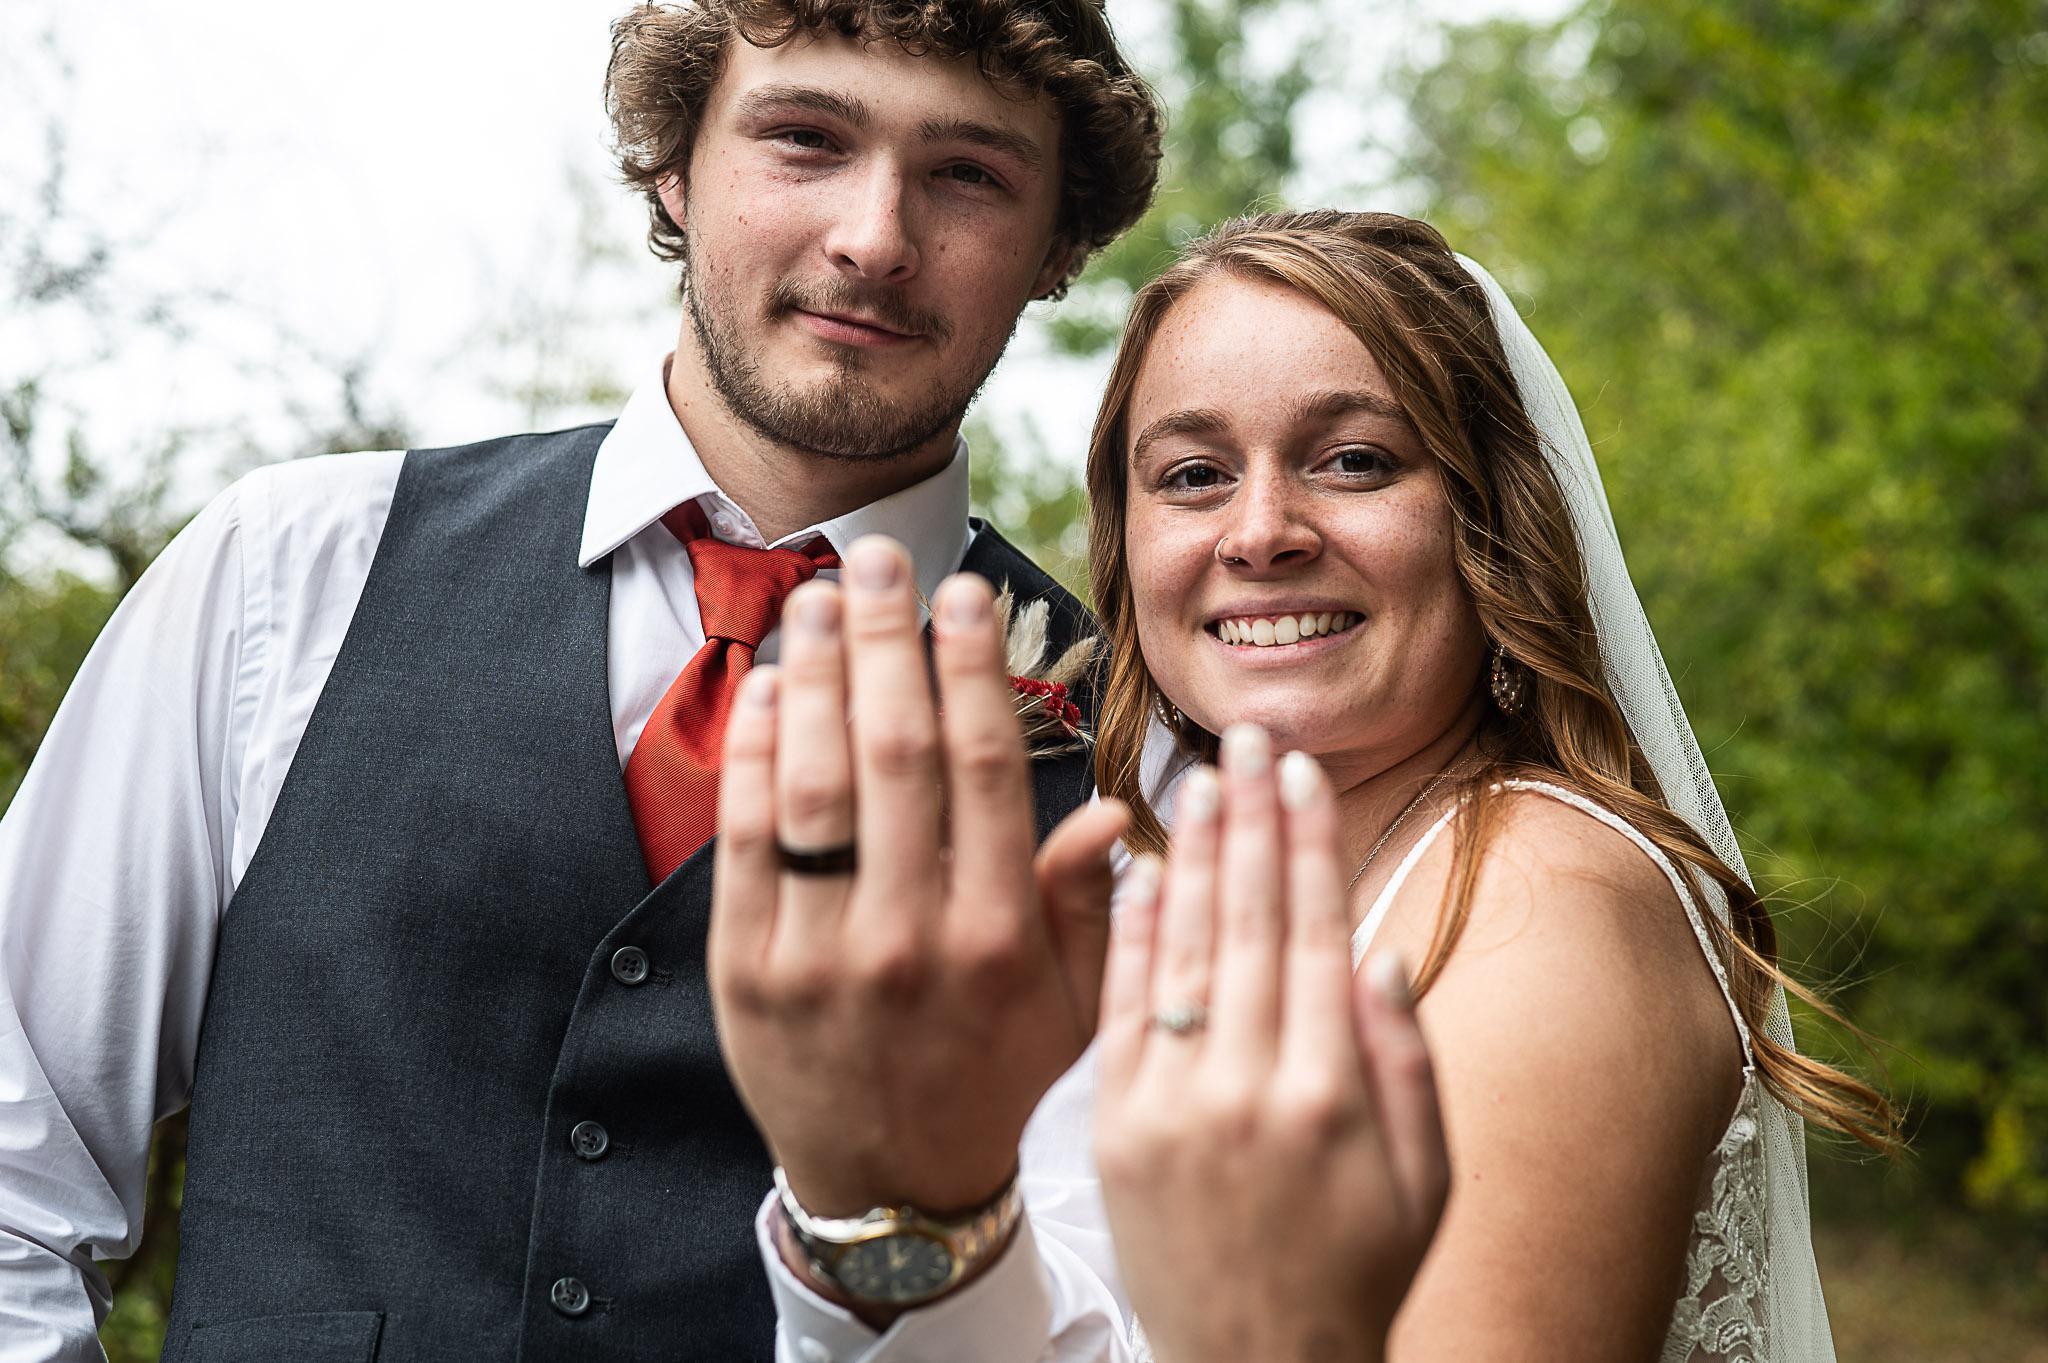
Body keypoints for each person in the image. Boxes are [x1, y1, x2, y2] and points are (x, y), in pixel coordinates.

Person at [0, 2, 1163, 1359]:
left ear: (1057, 244)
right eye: (805, 139)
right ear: (674, 164)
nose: (874, 237)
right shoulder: (292, 572)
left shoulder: (1135, 759)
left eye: (966, 173)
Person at [1078, 211, 1901, 1360]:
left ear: (1488, 518)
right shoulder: (1259, 891)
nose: (1258, 532)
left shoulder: (1536, 904)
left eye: (1353, 460)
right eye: (1193, 475)